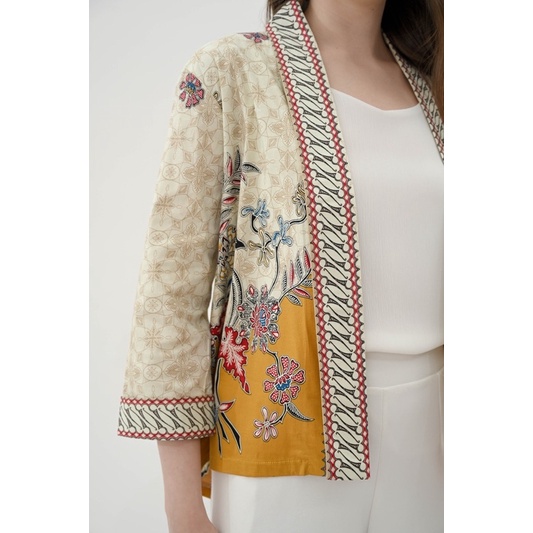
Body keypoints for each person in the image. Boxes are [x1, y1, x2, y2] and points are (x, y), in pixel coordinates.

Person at [117, 0, 444, 532]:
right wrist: (182, 506)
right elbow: (171, 283)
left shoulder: (439, 84)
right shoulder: (233, 69)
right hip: (285, 438)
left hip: (435, 435)